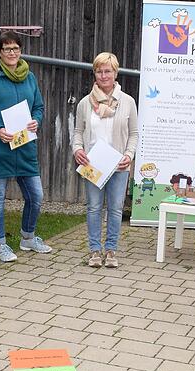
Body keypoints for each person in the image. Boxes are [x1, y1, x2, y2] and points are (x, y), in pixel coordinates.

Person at [0, 31, 51, 262]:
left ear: (21, 50)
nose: (12, 53)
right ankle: (0, 244)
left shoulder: (30, 77)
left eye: (15, 48)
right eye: (7, 49)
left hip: (24, 147)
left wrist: (37, 120)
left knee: (36, 196)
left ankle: (28, 237)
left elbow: (38, 106)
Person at [72, 52, 138, 268]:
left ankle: (111, 250)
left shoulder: (127, 102)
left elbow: (134, 133)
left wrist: (129, 155)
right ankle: (94, 251)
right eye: (99, 71)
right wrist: (77, 150)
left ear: (115, 73)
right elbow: (78, 131)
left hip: (118, 164)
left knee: (116, 208)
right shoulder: (84, 103)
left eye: (107, 71)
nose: (103, 75)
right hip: (93, 164)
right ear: (95, 74)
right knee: (93, 207)